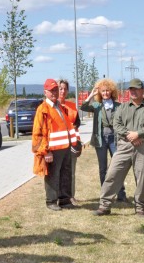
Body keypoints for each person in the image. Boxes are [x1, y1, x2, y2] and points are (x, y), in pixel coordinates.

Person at [93, 78, 144, 217]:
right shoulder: (122, 107)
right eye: (131, 89)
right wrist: (130, 135)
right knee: (112, 173)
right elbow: (117, 124)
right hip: (124, 145)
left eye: (136, 89)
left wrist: (139, 134)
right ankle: (104, 205)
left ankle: (140, 207)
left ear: (142, 90)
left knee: (142, 178)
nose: (133, 92)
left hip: (143, 146)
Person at [32, 78, 79, 211]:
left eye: (55, 90)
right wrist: (45, 151)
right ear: (45, 92)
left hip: (65, 148)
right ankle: (51, 201)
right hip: (52, 150)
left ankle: (64, 200)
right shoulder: (43, 109)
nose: (54, 93)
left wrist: (74, 142)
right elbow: (38, 133)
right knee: (53, 175)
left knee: (66, 174)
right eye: (51, 90)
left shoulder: (59, 106)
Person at [81, 78, 127, 202]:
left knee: (117, 167)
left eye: (107, 90)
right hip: (100, 140)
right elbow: (83, 107)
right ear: (100, 93)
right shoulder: (97, 106)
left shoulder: (119, 106)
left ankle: (121, 194)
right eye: (103, 91)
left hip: (114, 139)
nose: (105, 93)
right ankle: (105, 194)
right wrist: (91, 95)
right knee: (103, 168)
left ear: (112, 92)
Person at [58, 79, 81, 206]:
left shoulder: (72, 106)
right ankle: (57, 197)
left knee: (70, 171)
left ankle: (70, 196)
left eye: (64, 89)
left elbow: (77, 123)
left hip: (71, 143)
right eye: (60, 88)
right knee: (57, 172)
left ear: (67, 91)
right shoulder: (51, 106)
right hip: (57, 144)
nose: (62, 91)